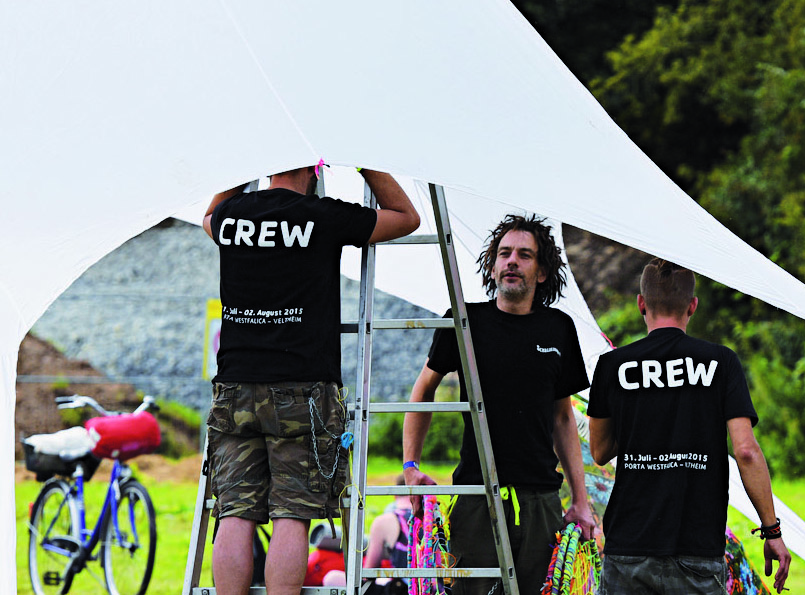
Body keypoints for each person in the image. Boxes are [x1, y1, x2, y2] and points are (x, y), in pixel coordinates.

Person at [201, 164, 420, 595]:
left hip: (236, 385)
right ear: (314, 168)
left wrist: (247, 162)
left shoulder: (231, 217)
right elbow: (406, 217)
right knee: (293, 513)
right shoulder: (322, 215)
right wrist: (362, 160)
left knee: (235, 513)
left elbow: (208, 216)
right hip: (304, 389)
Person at [402, 214, 596, 595]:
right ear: (492, 268)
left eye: (524, 255)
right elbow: (422, 390)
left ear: (542, 272)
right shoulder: (464, 322)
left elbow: (563, 418)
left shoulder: (559, 328)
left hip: (540, 501)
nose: (512, 261)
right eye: (504, 254)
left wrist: (581, 500)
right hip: (476, 496)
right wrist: (410, 466)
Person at [587, 259, 791, 595]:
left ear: (641, 303)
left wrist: (643, 415)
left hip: (628, 546)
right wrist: (772, 531)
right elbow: (746, 451)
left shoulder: (613, 364)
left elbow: (599, 451)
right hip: (696, 546)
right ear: (692, 306)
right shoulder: (721, 362)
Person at [361, 477, 414, 595]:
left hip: (404, 590)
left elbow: (369, 572)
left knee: (332, 578)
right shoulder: (436, 516)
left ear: (395, 495)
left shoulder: (385, 521)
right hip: (438, 589)